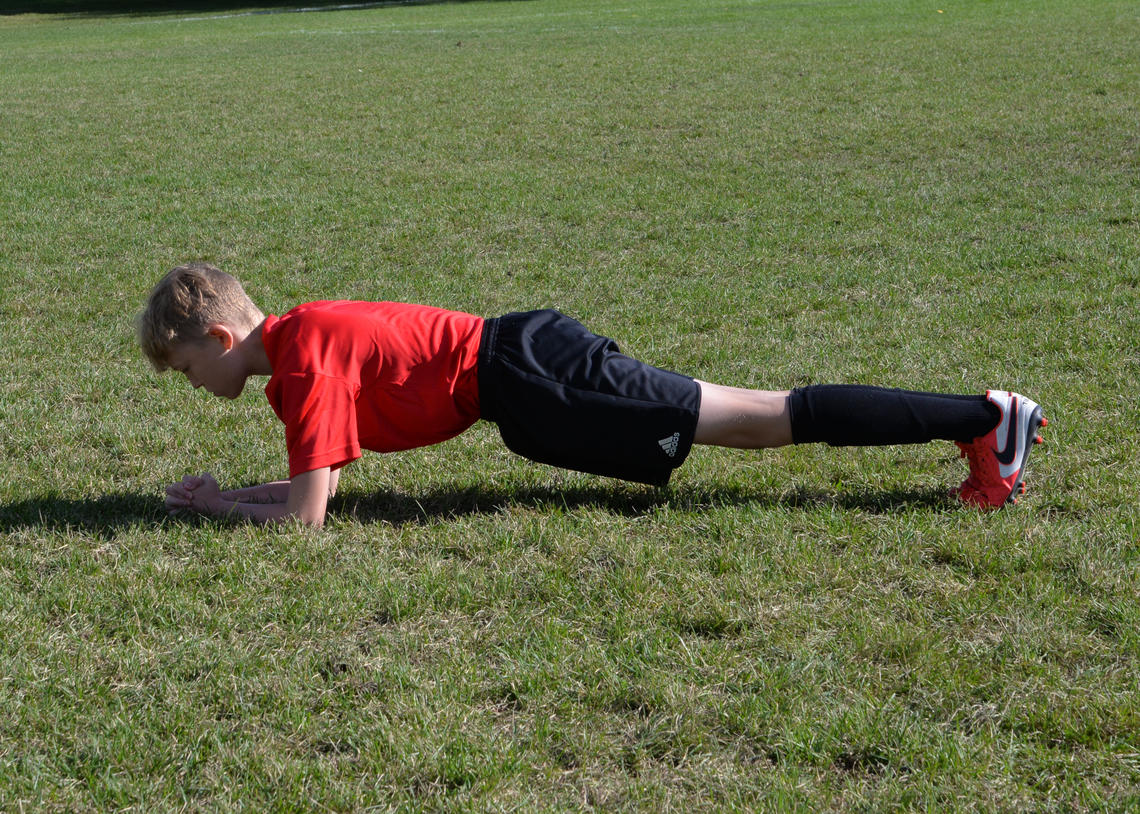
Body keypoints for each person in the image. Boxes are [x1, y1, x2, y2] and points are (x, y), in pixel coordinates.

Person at [139, 263, 1047, 527]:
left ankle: (987, 420)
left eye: (186, 369)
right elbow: (316, 492)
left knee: (763, 417)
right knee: (758, 416)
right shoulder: (296, 350)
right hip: (529, 373)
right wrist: (231, 497)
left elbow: (306, 521)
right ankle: (982, 422)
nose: (193, 385)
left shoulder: (304, 361)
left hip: (536, 374)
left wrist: (219, 511)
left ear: (219, 339)